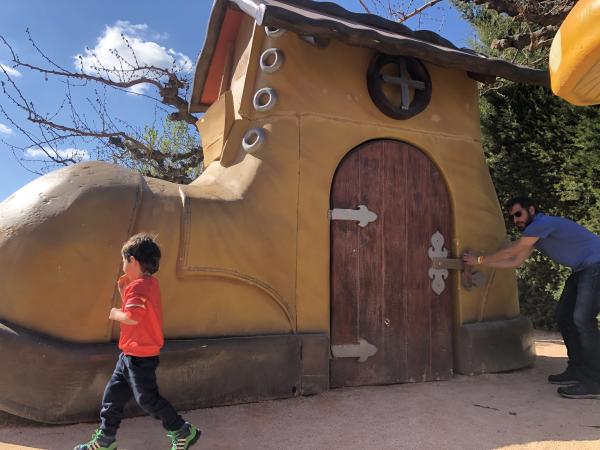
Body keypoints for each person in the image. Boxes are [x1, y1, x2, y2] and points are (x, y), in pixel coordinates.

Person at [463, 196, 600, 400]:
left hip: (595, 266)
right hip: (583, 269)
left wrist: (480, 259)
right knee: (564, 316)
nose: (516, 219)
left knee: (582, 319)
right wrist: (481, 264)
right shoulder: (536, 234)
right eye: (512, 217)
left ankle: (594, 381)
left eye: (519, 214)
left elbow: (513, 250)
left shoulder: (542, 224)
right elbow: (514, 261)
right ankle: (577, 370)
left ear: (532, 210)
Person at [75, 233, 201, 450]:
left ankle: (183, 431)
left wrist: (115, 313)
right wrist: (125, 294)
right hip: (129, 355)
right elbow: (137, 313)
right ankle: (105, 441)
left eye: (124, 259)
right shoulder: (148, 284)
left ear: (132, 260)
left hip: (140, 356)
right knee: (111, 399)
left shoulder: (139, 287)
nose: (123, 264)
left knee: (147, 400)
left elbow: (132, 318)